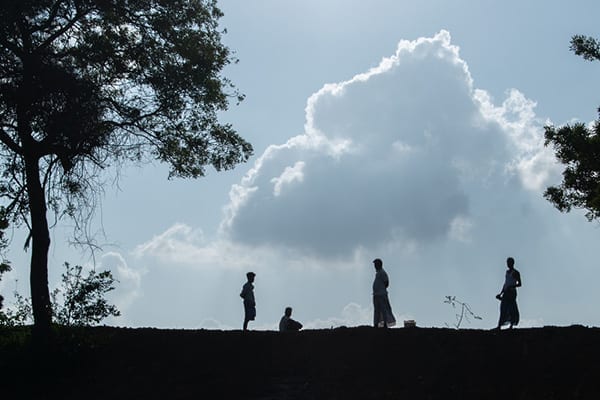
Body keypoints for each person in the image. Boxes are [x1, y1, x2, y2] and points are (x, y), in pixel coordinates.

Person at [495, 257, 522, 329]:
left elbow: (520, 284)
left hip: (512, 292)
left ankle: (511, 325)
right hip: (506, 292)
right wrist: (500, 293)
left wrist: (511, 286)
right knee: (503, 308)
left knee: (511, 308)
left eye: (509, 263)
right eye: (507, 263)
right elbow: (505, 283)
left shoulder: (516, 272)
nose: (508, 264)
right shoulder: (507, 272)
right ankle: (499, 325)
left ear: (512, 263)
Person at [372, 258, 396, 328]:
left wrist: (381, 289)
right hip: (376, 294)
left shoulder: (382, 273)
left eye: (376, 264)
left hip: (381, 294)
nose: (375, 266)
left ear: (379, 264)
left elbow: (386, 283)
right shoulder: (378, 273)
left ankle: (385, 324)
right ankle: (376, 324)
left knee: (383, 309)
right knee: (377, 310)